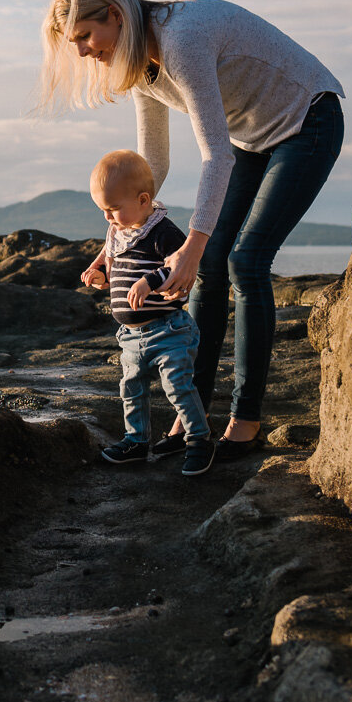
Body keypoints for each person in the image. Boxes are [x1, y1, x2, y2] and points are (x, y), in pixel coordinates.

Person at [39, 0, 344, 463]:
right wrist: (112, 243)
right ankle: (193, 416)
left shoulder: (182, 38)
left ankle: (245, 422)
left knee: (245, 262)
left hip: (308, 119)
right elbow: (151, 165)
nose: (81, 52)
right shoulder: (137, 63)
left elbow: (215, 156)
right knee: (207, 266)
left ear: (115, 16)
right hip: (250, 139)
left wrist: (191, 247)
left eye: (84, 37)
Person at [83, 150, 215, 477]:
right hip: (130, 337)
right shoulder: (118, 233)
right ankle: (136, 440)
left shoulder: (162, 231)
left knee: (178, 387)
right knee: (132, 388)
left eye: (113, 210)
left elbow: (179, 267)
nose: (108, 218)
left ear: (143, 200)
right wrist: (102, 278)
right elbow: (116, 273)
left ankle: (198, 439)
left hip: (168, 330)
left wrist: (150, 282)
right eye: (103, 210)